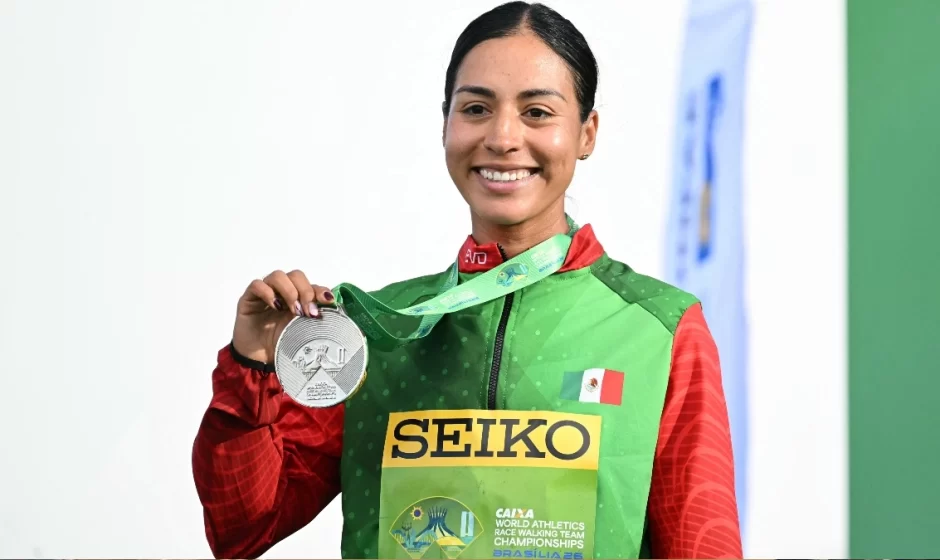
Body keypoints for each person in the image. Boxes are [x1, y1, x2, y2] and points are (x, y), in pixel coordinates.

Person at [191, 2, 742, 559]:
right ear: (446, 126)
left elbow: (704, 546)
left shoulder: (659, 328)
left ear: (586, 133)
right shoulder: (376, 331)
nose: (502, 137)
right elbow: (242, 528)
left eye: (537, 112)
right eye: (476, 108)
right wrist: (252, 367)